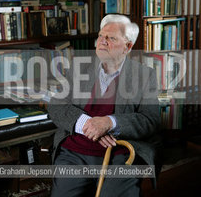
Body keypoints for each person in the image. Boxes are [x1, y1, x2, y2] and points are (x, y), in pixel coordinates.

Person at [48, 14, 161, 197]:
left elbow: (150, 120)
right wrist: (90, 126)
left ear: (128, 46)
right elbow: (56, 106)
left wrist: (110, 123)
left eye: (112, 38)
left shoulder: (144, 75)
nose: (103, 41)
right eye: (101, 36)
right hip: (75, 152)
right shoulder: (79, 68)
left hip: (121, 152)